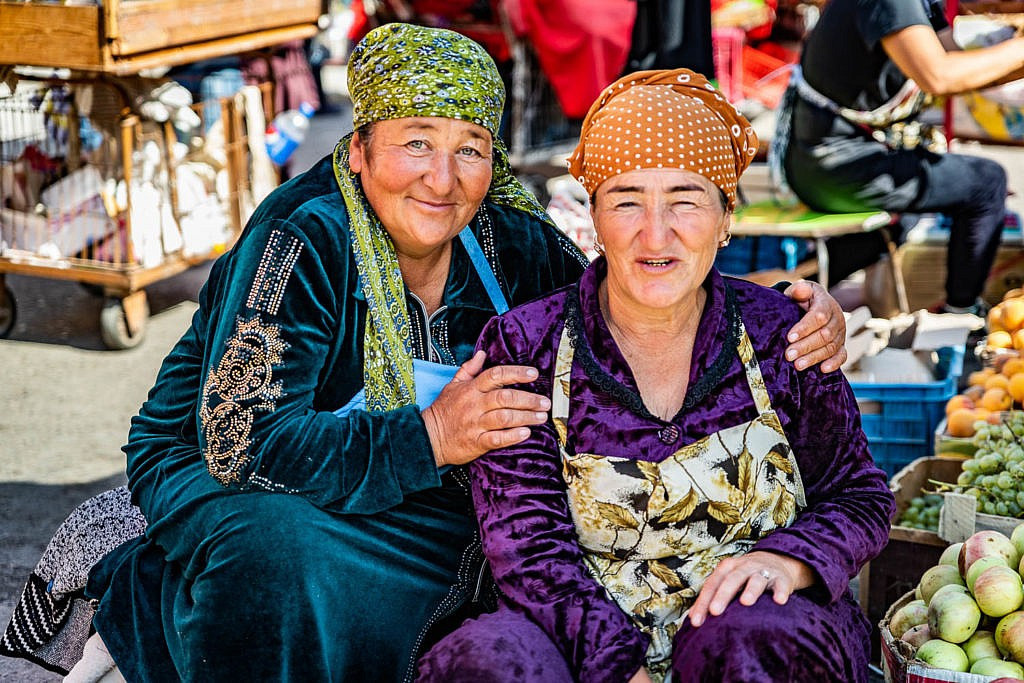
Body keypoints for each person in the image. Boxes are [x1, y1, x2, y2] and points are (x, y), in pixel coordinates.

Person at [2, 25, 846, 683]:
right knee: (278, 556)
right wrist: (433, 436)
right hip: (227, 464)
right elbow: (242, 441)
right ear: (360, 147)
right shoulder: (302, 240)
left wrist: (781, 306)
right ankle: (148, 597)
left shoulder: (509, 241)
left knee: (492, 565)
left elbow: (626, 289)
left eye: (469, 147)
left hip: (410, 485)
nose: (442, 178)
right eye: (416, 141)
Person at [417, 69, 895, 683]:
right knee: (487, 659)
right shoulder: (527, 346)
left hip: (755, 645)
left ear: (726, 216)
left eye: (685, 200)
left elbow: (858, 494)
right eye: (627, 201)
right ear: (594, 217)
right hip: (580, 640)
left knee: (760, 634)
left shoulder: (784, 333)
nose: (655, 233)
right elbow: (530, 551)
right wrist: (618, 666)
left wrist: (790, 560)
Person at [778, 0, 1024, 316]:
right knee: (986, 181)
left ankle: (794, 285)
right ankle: (960, 316)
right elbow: (938, 76)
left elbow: (961, 70)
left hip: (836, 160)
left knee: (915, 209)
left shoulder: (924, 3)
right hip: (832, 166)